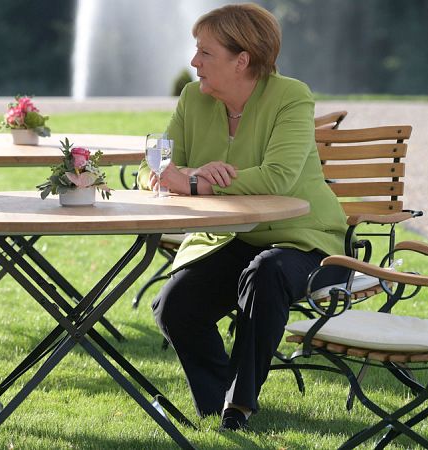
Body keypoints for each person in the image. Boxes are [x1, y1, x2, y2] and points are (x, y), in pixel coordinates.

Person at [139, 3, 350, 431]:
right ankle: (218, 404)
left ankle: (240, 406)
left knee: (265, 273)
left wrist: (197, 183)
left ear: (242, 60)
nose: (194, 62)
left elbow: (278, 177)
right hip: (234, 238)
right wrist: (176, 174)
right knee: (174, 306)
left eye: (205, 53)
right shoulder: (191, 100)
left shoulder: (291, 96)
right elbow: (152, 165)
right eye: (195, 51)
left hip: (307, 242)